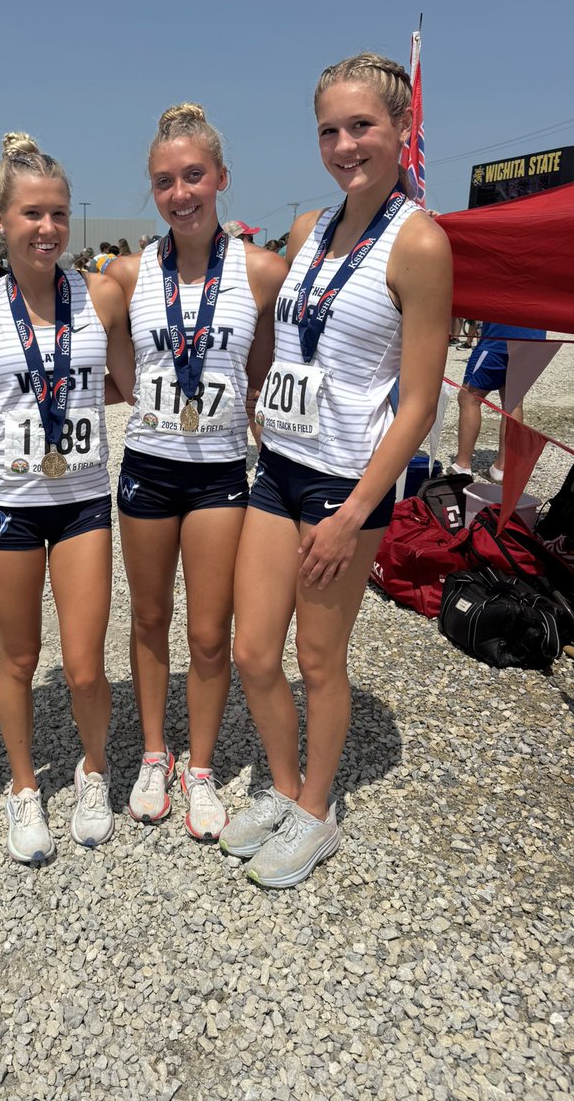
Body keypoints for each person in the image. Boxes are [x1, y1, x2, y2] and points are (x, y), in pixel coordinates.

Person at [226, 52, 452, 887]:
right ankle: (284, 790)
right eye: (330, 129)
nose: (345, 143)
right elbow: (288, 331)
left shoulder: (420, 241)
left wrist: (357, 511)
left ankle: (318, 812)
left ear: (400, 131)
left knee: (319, 660)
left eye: (362, 126)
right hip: (278, 466)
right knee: (253, 650)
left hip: (343, 487)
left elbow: (421, 403)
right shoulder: (308, 229)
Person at [105, 104, 285, 841]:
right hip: (148, 466)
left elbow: (264, 372)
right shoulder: (123, 274)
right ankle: (156, 754)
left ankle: (201, 766)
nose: (181, 193)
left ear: (220, 179)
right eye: (164, 181)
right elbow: (113, 367)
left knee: (211, 635)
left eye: (193, 176)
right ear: (152, 191)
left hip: (217, 475)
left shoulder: (262, 272)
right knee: (150, 618)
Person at [0, 133, 134, 864]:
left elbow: (128, 381)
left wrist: (65, 397)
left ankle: (94, 769)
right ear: (0, 219)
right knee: (17, 657)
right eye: (33, 214)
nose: (48, 229)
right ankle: (23, 786)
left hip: (79, 501)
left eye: (60, 214)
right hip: (4, 498)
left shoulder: (99, 294)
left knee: (84, 663)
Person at [448, 321, 547, 482]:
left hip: (500, 336)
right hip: (535, 340)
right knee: (513, 402)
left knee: (469, 398)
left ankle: (462, 465)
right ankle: (502, 468)